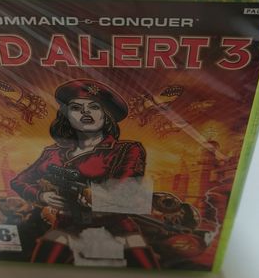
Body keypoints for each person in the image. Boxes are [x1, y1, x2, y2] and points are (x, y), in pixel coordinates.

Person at [10, 79, 160, 268]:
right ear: (66, 115)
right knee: (41, 267)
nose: (85, 113)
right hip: (67, 226)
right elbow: (19, 181)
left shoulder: (127, 149)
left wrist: (94, 195)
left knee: (145, 264)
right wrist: (42, 196)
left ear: (106, 115)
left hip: (115, 227)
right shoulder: (52, 153)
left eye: (94, 107)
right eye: (76, 108)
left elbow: (127, 189)